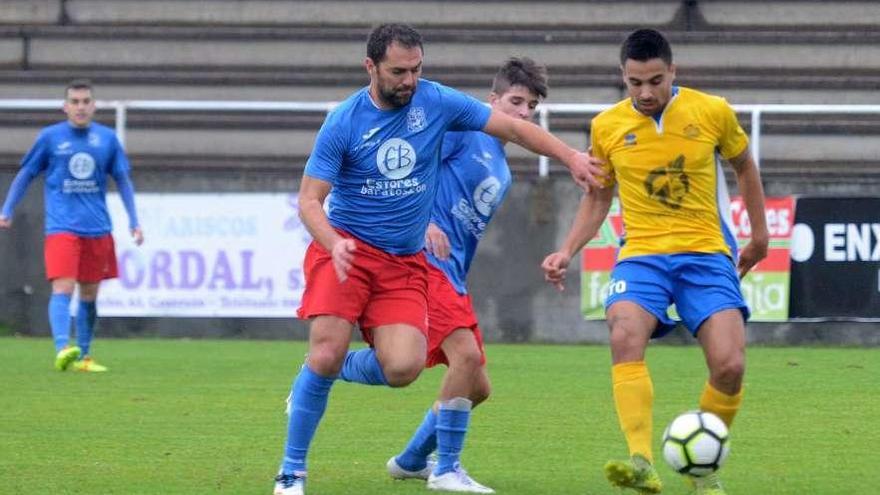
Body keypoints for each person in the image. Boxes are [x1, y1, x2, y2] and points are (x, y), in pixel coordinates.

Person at [274, 23, 604, 495]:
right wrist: (333, 241)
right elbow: (309, 200)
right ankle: (291, 474)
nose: (409, 80)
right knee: (330, 350)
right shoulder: (344, 121)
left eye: (416, 69)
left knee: (404, 369)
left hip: (403, 264)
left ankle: (391, 437)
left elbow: (513, 129)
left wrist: (571, 156)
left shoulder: (437, 103)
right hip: (347, 248)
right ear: (371, 67)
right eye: (398, 72)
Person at [541, 29, 768, 495]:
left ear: (673, 73)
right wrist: (566, 250)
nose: (645, 92)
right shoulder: (606, 127)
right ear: (623, 77)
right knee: (624, 332)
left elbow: (744, 165)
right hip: (642, 255)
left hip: (706, 254)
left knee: (730, 365)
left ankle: (701, 470)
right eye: (635, 82)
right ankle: (641, 462)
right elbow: (599, 198)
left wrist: (759, 236)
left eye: (655, 81)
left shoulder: (712, 112)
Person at [379, 57, 548, 494]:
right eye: (516, 101)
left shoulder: (504, 168)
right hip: (423, 265)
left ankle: (412, 459)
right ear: (493, 100)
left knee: (478, 387)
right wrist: (422, 222)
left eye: (531, 105)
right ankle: (447, 468)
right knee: (466, 360)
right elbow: (409, 164)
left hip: (452, 274)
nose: (524, 113)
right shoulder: (465, 132)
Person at [0, 79, 143, 373]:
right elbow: (26, 173)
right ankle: (63, 348)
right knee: (63, 287)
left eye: (85, 101)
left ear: (93, 106)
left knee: (89, 295)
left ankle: (85, 356)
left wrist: (134, 221)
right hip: (62, 228)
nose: (80, 107)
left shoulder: (107, 139)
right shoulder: (50, 138)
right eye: (75, 102)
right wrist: (7, 208)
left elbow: (123, 181)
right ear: (65, 107)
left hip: (98, 229)